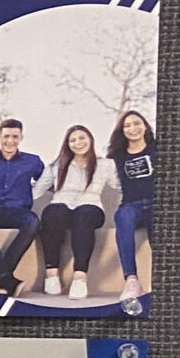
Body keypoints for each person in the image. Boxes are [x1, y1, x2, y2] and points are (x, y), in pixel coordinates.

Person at [35, 123, 119, 301]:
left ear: (90, 139)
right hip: (62, 204)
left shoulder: (105, 164)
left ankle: (80, 277)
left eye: (81, 138)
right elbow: (38, 189)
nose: (77, 142)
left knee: (83, 216)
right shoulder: (57, 165)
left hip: (91, 206)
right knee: (51, 213)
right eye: (72, 140)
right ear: (67, 144)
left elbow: (120, 185)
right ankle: (51, 274)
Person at [0, 117, 47, 296]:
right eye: (6, 136)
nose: (10, 141)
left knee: (33, 222)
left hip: (19, 211)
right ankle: (6, 278)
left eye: (14, 136)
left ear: (21, 138)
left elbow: (49, 180)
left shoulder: (32, 161)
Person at [110, 109, 162, 303]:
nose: (133, 129)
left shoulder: (157, 148)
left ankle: (159, 281)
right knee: (123, 216)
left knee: (159, 223)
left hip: (157, 204)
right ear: (122, 131)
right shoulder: (118, 156)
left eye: (137, 123)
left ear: (145, 126)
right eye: (127, 125)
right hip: (131, 206)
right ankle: (132, 280)